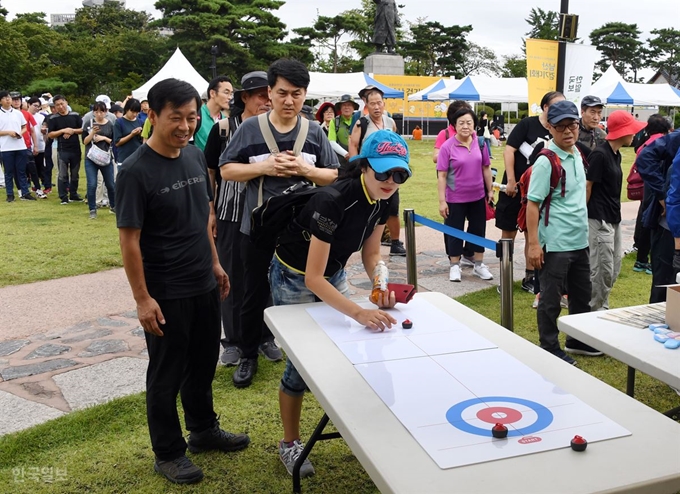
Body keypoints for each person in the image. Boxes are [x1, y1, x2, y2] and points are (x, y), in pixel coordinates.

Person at [116, 78, 250, 485]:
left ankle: (204, 430)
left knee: (203, 362)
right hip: (166, 291)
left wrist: (215, 263)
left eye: (192, 117)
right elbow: (129, 242)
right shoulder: (135, 171)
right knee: (166, 374)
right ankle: (168, 452)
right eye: (176, 118)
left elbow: (202, 219)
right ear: (152, 116)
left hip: (203, 283)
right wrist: (142, 299)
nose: (186, 126)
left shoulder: (193, 157)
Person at [273, 129, 406, 478]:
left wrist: (380, 287)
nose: (391, 181)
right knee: (300, 364)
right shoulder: (332, 199)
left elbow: (372, 251)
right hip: (292, 275)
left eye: (400, 173)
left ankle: (362, 425)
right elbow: (312, 279)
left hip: (330, 273)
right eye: (383, 172)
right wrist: (359, 310)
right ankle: (289, 443)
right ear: (364, 166)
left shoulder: (387, 198)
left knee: (350, 348)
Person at [220, 59, 339, 388]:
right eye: (282, 93)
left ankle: (288, 345)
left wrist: (305, 170)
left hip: (300, 232)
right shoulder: (249, 129)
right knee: (252, 292)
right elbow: (227, 169)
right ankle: (247, 354)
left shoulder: (314, 132)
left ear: (304, 95)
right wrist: (265, 167)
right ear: (269, 93)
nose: (289, 101)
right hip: (256, 229)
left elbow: (332, 174)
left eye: (296, 94)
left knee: (300, 290)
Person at [203, 70, 271, 367]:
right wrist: (212, 211)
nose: (267, 102)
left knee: (266, 276)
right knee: (231, 277)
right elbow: (210, 172)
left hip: (263, 213)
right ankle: (231, 340)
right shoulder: (223, 129)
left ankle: (265, 336)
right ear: (245, 98)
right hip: (229, 212)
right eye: (261, 96)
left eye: (271, 95)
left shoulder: (273, 128)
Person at [526, 100, 595, 366]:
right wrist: (534, 244)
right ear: (550, 128)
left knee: (581, 295)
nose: (568, 132)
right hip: (555, 243)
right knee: (551, 298)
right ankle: (549, 347)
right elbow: (533, 203)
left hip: (579, 239)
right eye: (561, 127)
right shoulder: (547, 160)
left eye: (573, 125)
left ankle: (578, 340)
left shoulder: (577, 152)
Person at [496, 91, 565, 293]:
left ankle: (530, 277)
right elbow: (509, 150)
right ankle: (505, 277)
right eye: (555, 106)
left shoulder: (557, 129)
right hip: (515, 188)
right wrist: (510, 180)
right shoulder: (527, 124)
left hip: (537, 191)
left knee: (532, 233)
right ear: (545, 107)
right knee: (508, 233)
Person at [586, 111, 646, 313]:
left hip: (613, 217)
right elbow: (588, 187)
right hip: (598, 218)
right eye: (632, 130)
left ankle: (602, 307)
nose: (635, 135)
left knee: (613, 267)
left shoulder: (616, 154)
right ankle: (593, 314)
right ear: (623, 131)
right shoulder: (599, 154)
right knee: (601, 269)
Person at [437, 108, 494, 282]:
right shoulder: (447, 146)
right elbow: (442, 175)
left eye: (469, 122)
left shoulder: (481, 143)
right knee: (455, 231)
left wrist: (490, 190)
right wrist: (442, 201)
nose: (465, 126)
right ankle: (455, 266)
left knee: (478, 230)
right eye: (461, 122)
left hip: (477, 196)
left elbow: (486, 167)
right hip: (455, 197)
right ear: (454, 125)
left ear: (474, 125)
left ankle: (478, 264)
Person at [348, 86, 406, 256]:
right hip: (371, 174)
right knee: (367, 208)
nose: (376, 107)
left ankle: (395, 242)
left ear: (384, 103)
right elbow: (353, 144)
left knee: (392, 207)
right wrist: (356, 166)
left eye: (379, 103)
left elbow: (396, 142)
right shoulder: (362, 123)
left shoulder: (390, 122)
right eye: (372, 103)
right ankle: (362, 241)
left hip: (391, 173)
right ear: (366, 104)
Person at [636, 129, 680, 303]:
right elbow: (645, 158)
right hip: (668, 228)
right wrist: (662, 196)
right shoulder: (676, 139)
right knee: (664, 288)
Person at [630, 115, 671, 274]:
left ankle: (641, 260)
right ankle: (652, 262)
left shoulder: (644, 142)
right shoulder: (661, 143)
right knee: (654, 224)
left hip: (646, 188)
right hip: (655, 189)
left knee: (644, 221)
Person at [47, 94, 84, 204]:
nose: (60, 106)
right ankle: (63, 196)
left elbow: (82, 129)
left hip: (75, 149)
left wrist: (72, 130)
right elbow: (50, 134)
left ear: (66, 103)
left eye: (62, 104)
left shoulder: (75, 115)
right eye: (57, 105)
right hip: (62, 149)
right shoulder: (53, 118)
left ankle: (73, 194)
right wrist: (63, 131)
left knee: (75, 173)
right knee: (62, 174)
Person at [82, 101, 116, 219]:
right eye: (96, 111)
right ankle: (92, 209)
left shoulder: (110, 124)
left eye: (101, 111)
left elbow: (114, 141)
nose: (99, 114)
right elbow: (85, 142)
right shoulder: (88, 123)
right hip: (91, 157)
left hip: (105, 157)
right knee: (92, 184)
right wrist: (92, 133)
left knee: (111, 184)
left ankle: (113, 205)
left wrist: (104, 138)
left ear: (106, 112)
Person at [0, 90, 32, 202]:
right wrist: (8, 132)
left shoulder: (18, 113)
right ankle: (10, 194)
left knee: (21, 171)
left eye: (8, 97)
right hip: (6, 147)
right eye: (4, 98)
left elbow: (24, 127)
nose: (8, 99)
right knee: (8, 172)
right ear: (1, 101)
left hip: (20, 146)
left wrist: (19, 133)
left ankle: (25, 192)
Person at [194, 76, 233, 151]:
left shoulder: (225, 120)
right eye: (226, 92)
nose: (230, 97)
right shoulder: (196, 116)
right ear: (212, 93)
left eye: (231, 94)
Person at [327, 94, 359, 169]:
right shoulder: (334, 121)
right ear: (340, 108)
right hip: (341, 161)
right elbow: (331, 142)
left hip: (358, 159)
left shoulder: (359, 120)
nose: (346, 107)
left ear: (353, 107)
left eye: (349, 105)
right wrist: (346, 154)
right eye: (344, 105)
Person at [113, 98, 143, 164]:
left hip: (138, 158)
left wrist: (140, 134)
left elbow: (143, 141)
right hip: (124, 159)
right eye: (132, 112)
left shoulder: (140, 122)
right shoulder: (119, 122)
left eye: (137, 112)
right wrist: (131, 135)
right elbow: (117, 143)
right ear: (127, 109)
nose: (135, 114)